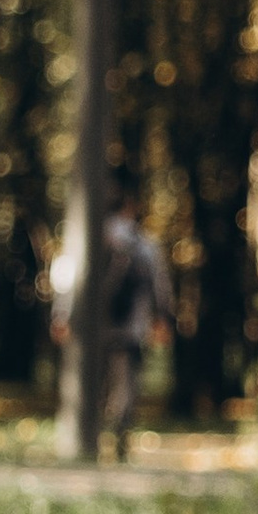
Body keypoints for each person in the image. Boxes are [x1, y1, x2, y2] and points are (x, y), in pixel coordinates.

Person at [100, 180, 175, 458]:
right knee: (126, 383)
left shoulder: (90, 238)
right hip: (131, 325)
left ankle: (93, 435)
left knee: (97, 382)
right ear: (129, 207)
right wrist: (162, 318)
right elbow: (160, 284)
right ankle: (120, 437)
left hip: (95, 327)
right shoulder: (143, 243)